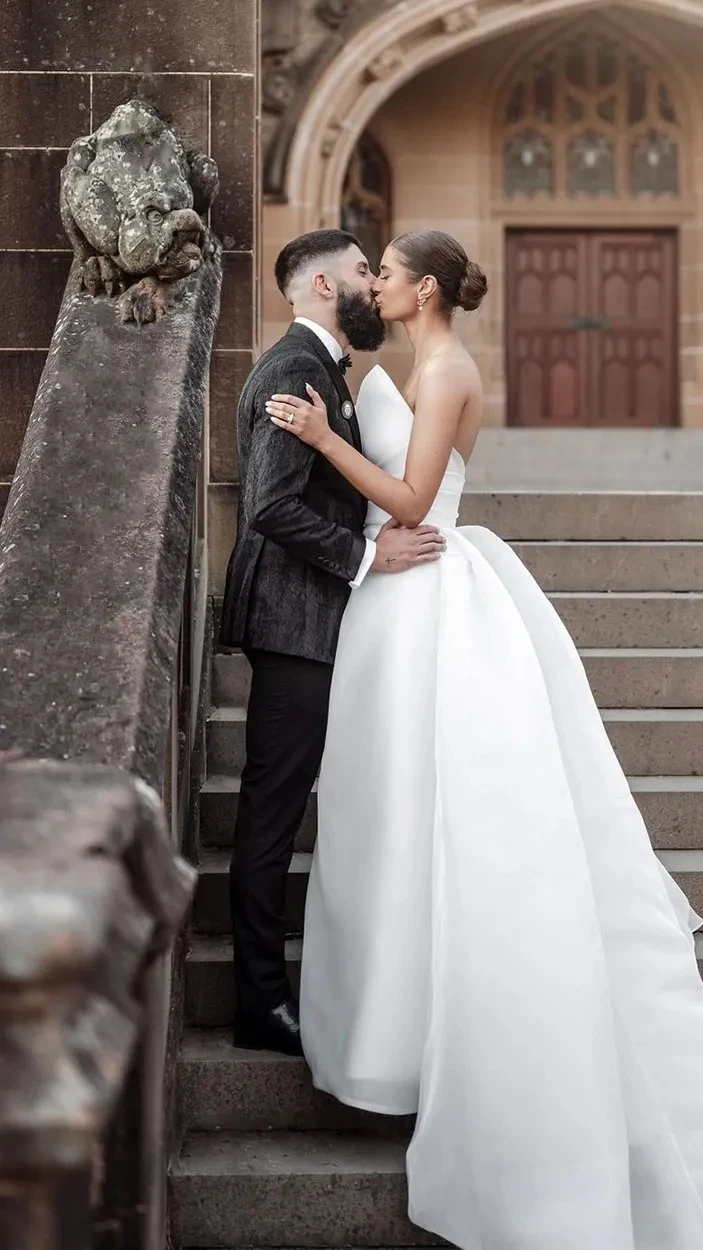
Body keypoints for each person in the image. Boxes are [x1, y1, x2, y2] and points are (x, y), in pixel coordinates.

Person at [267, 229, 703, 1249]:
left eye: (385, 269)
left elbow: (415, 500)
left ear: (422, 288)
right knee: (392, 817)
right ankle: (395, 1032)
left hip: (430, 590)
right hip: (396, 599)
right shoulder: (411, 360)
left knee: (458, 816)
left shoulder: (453, 367)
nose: (372, 281)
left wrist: (321, 440)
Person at [218, 230, 445, 1056]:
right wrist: (366, 554)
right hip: (293, 622)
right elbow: (270, 506)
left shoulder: (321, 371)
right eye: (360, 271)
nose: (370, 283)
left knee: (279, 810)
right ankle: (260, 1004)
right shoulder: (294, 371)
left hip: (313, 621)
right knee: (271, 815)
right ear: (320, 285)